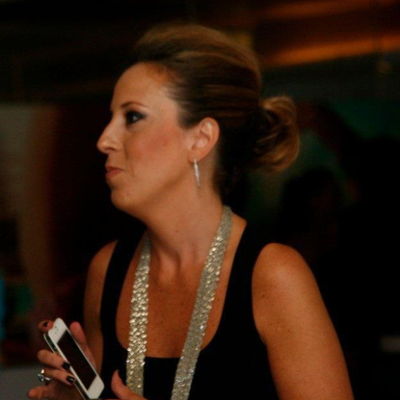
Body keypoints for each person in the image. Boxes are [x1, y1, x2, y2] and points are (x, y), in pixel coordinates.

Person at [28, 22, 354, 400]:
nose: (105, 140)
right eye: (111, 117)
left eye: (132, 117)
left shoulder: (274, 276)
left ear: (200, 139)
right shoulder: (108, 270)